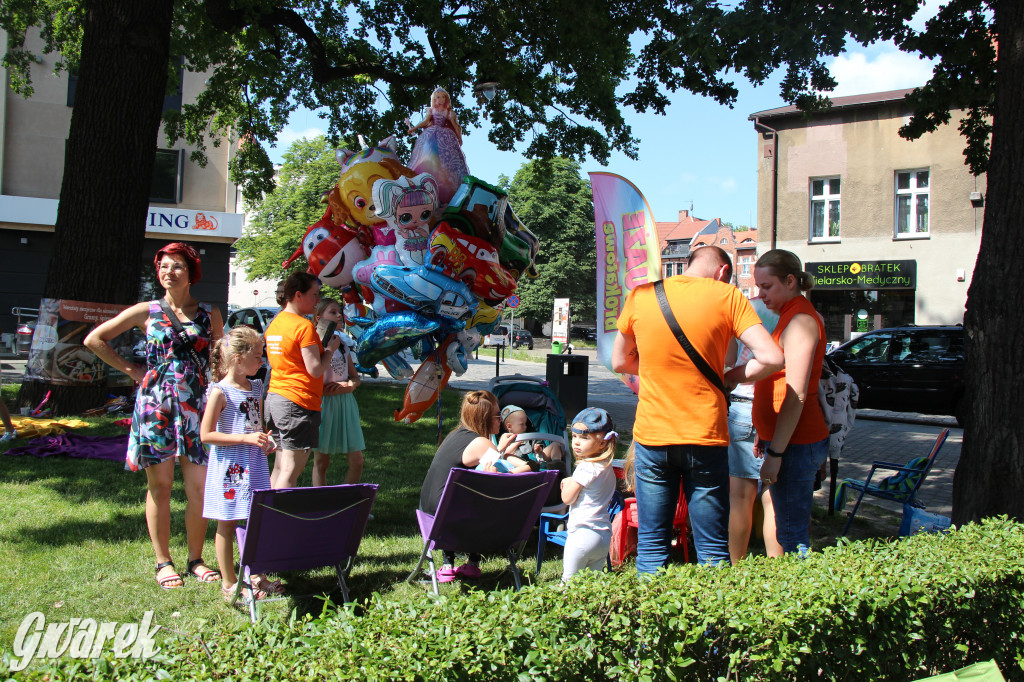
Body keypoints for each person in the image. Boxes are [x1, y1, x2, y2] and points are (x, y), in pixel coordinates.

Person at [611, 245, 783, 573]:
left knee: (651, 542)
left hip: (654, 434)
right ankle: (712, 625)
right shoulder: (728, 296)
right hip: (705, 435)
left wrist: (657, 368)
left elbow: (621, 361)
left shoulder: (643, 295)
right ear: (722, 272)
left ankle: (651, 622)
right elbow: (772, 357)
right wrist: (730, 378)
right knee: (713, 547)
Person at [84, 242, 224, 589]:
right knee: (160, 487)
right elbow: (95, 339)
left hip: (198, 408)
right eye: (163, 266)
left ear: (191, 273)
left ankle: (196, 559)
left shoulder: (210, 313)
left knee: (199, 488)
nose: (168, 272)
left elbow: (220, 361)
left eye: (176, 266)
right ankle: (163, 562)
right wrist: (131, 370)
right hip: (156, 407)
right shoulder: (146, 310)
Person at [749, 249, 830, 556]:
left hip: (796, 443)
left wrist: (776, 451)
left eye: (766, 286)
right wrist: (765, 431)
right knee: (786, 527)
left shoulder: (801, 319)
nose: (761, 294)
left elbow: (796, 393)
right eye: (758, 287)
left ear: (791, 281)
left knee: (792, 535)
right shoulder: (791, 314)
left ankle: (799, 599)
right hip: (786, 439)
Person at [199, 326, 282, 600]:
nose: (262, 361)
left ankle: (257, 576)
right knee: (227, 522)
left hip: (255, 464)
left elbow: (255, 424)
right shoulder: (220, 392)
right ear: (237, 358)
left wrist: (264, 441)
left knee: (254, 520)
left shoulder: (255, 387)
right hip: (230, 469)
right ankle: (229, 581)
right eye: (257, 356)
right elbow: (206, 434)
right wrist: (246, 439)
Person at [265, 272, 341, 489]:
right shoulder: (303, 326)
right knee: (291, 470)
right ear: (298, 295)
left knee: (280, 467)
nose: (317, 300)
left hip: (275, 399)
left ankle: (267, 517)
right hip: (298, 402)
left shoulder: (276, 322)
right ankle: (280, 519)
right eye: (314, 295)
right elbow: (315, 370)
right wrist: (329, 349)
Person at [419, 390, 504, 582]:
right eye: (498, 415)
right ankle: (473, 562)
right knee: (492, 497)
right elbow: (505, 474)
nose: (501, 420)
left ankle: (448, 562)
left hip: (429, 511)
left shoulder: (454, 434)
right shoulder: (483, 443)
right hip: (451, 517)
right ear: (484, 418)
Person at [727, 299, 784, 563]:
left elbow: (728, 358)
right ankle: (776, 570)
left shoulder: (744, 307)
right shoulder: (794, 313)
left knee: (740, 497)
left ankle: (736, 566)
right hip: (777, 405)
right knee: (772, 498)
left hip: (743, 404)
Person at [310, 298, 365, 486]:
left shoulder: (341, 342)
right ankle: (321, 506)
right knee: (321, 462)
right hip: (323, 406)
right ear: (319, 318)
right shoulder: (312, 344)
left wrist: (350, 385)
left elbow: (355, 377)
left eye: (339, 311)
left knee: (357, 461)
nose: (339, 315)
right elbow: (310, 379)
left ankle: (349, 505)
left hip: (345, 403)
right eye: (332, 312)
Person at [560, 407, 617, 582]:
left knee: (568, 584)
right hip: (603, 536)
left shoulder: (585, 467)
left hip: (582, 535)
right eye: (575, 436)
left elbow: (567, 498)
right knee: (591, 587)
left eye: (584, 437)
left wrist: (566, 484)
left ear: (603, 443)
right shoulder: (607, 468)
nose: (576, 442)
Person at [406, 87, 470, 204]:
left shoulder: (449, 112)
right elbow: (426, 121)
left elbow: (456, 126)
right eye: (438, 97)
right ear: (434, 99)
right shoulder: (431, 110)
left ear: (446, 99)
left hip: (445, 136)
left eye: (443, 97)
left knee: (447, 158)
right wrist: (414, 128)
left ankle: (448, 182)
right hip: (431, 134)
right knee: (426, 154)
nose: (440, 99)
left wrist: (459, 136)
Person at [494, 405, 563, 465]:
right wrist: (518, 442)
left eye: (526, 423)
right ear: (509, 426)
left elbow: (538, 447)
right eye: (522, 424)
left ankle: (556, 463)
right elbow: (503, 455)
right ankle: (528, 466)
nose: (526, 426)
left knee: (556, 444)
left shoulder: (530, 436)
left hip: (536, 460)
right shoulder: (504, 440)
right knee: (508, 456)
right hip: (518, 464)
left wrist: (538, 449)